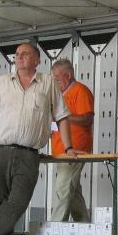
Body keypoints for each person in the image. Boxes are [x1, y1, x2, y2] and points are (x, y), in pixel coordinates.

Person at [0, 43, 80, 235]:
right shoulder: (1, 82)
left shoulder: (48, 83)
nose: (20, 57)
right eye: (17, 54)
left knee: (18, 202)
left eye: (25, 54)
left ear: (38, 60)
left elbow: (62, 117)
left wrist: (68, 147)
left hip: (28, 154)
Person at [49, 58, 94, 222]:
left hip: (75, 148)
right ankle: (84, 227)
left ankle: (54, 228)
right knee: (73, 191)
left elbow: (87, 119)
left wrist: (63, 118)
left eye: (57, 78)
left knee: (63, 188)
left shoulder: (80, 90)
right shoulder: (59, 95)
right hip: (60, 149)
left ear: (68, 75)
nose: (55, 82)